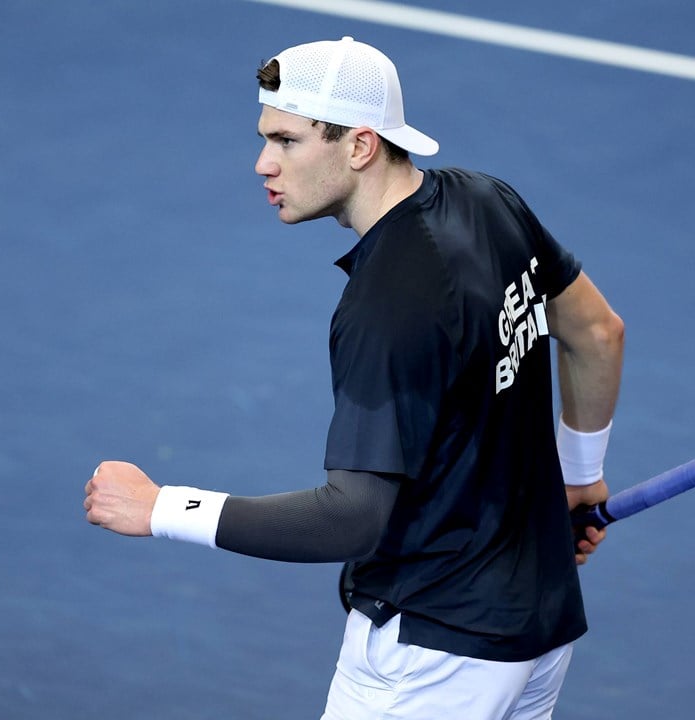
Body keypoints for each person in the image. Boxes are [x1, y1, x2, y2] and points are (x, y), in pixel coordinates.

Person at [84, 36, 624, 720]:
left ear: (360, 146)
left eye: (287, 141)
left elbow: (351, 518)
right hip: (536, 629)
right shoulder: (490, 202)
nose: (262, 163)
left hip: (431, 657)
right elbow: (599, 333)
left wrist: (161, 508)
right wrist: (581, 476)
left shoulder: (387, 307)